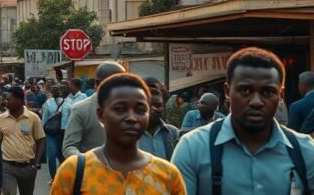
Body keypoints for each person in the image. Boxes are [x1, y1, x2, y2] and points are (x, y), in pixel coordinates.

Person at [172, 47, 314, 195]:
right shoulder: (193, 149)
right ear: (227, 91)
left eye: (267, 92)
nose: (256, 101)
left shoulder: (305, 152)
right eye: (245, 91)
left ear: (280, 95)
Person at [50, 73, 186, 195]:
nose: (132, 118)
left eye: (140, 109)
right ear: (101, 115)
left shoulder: (168, 175)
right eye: (120, 109)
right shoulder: (72, 172)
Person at [62, 62, 126, 158]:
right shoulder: (81, 109)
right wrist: (88, 162)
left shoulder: (131, 108)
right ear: (97, 83)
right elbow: (69, 147)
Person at [0, 86, 44, 195]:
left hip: (28, 167)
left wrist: (36, 163)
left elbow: (40, 141)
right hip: (7, 166)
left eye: (9, 99)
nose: (6, 102)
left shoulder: (33, 118)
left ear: (19, 100)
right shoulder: (1, 119)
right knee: (9, 192)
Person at [40, 81, 70, 180]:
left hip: (62, 132)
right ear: (52, 92)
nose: (56, 91)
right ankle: (54, 177)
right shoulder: (48, 103)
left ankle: (63, 174)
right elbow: (44, 118)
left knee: (61, 155)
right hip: (50, 133)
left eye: (58, 90)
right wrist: (42, 132)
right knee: (52, 155)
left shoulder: (67, 102)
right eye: (54, 90)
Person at [138, 91, 179, 161]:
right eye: (148, 105)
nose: (153, 109)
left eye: (158, 105)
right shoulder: (130, 133)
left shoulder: (172, 132)